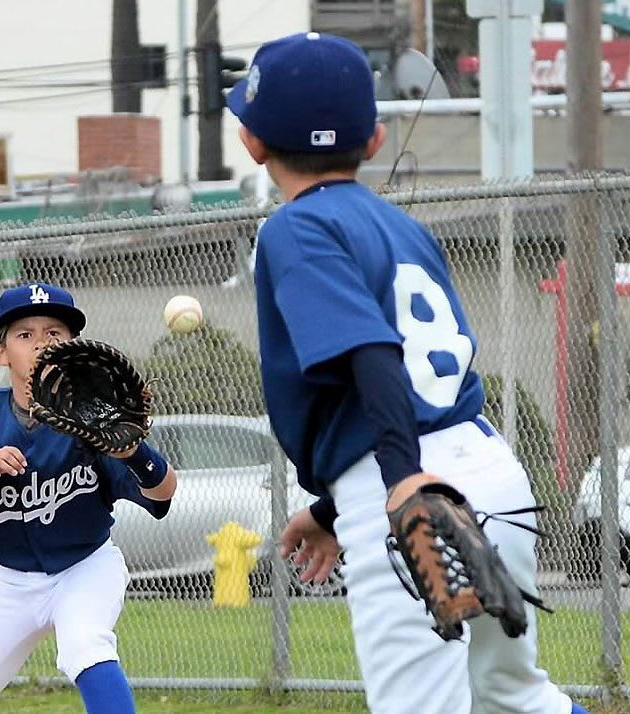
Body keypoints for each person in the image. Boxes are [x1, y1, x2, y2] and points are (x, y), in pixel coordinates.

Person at [226, 32, 586, 714]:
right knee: (512, 693)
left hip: (404, 483)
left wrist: (397, 483)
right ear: (376, 140)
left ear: (252, 139)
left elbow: (372, 353)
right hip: (487, 467)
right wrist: (332, 509)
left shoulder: (293, 230)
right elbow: (402, 367)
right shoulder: (403, 227)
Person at [0, 282, 177, 714]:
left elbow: (163, 495)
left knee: (85, 646)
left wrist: (134, 451)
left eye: (55, 332)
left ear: (73, 345)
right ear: (1, 353)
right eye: (25, 335)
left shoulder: (94, 417)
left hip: (85, 568)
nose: (42, 343)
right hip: (9, 582)